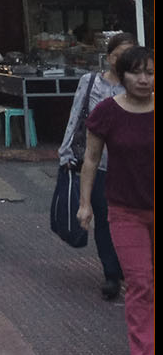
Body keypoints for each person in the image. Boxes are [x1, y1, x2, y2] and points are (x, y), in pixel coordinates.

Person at [77, 44, 154, 355]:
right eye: (137, 72)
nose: (144, 79)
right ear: (122, 75)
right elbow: (91, 159)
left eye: (150, 72)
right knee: (140, 283)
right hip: (125, 211)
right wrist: (84, 204)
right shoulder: (107, 112)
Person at [59, 31, 135, 299]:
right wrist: (67, 152)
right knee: (104, 220)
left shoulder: (139, 86)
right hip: (100, 165)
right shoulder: (91, 83)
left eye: (129, 56)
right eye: (118, 55)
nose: (122, 61)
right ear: (108, 57)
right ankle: (111, 274)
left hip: (132, 169)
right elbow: (76, 117)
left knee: (130, 219)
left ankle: (130, 269)